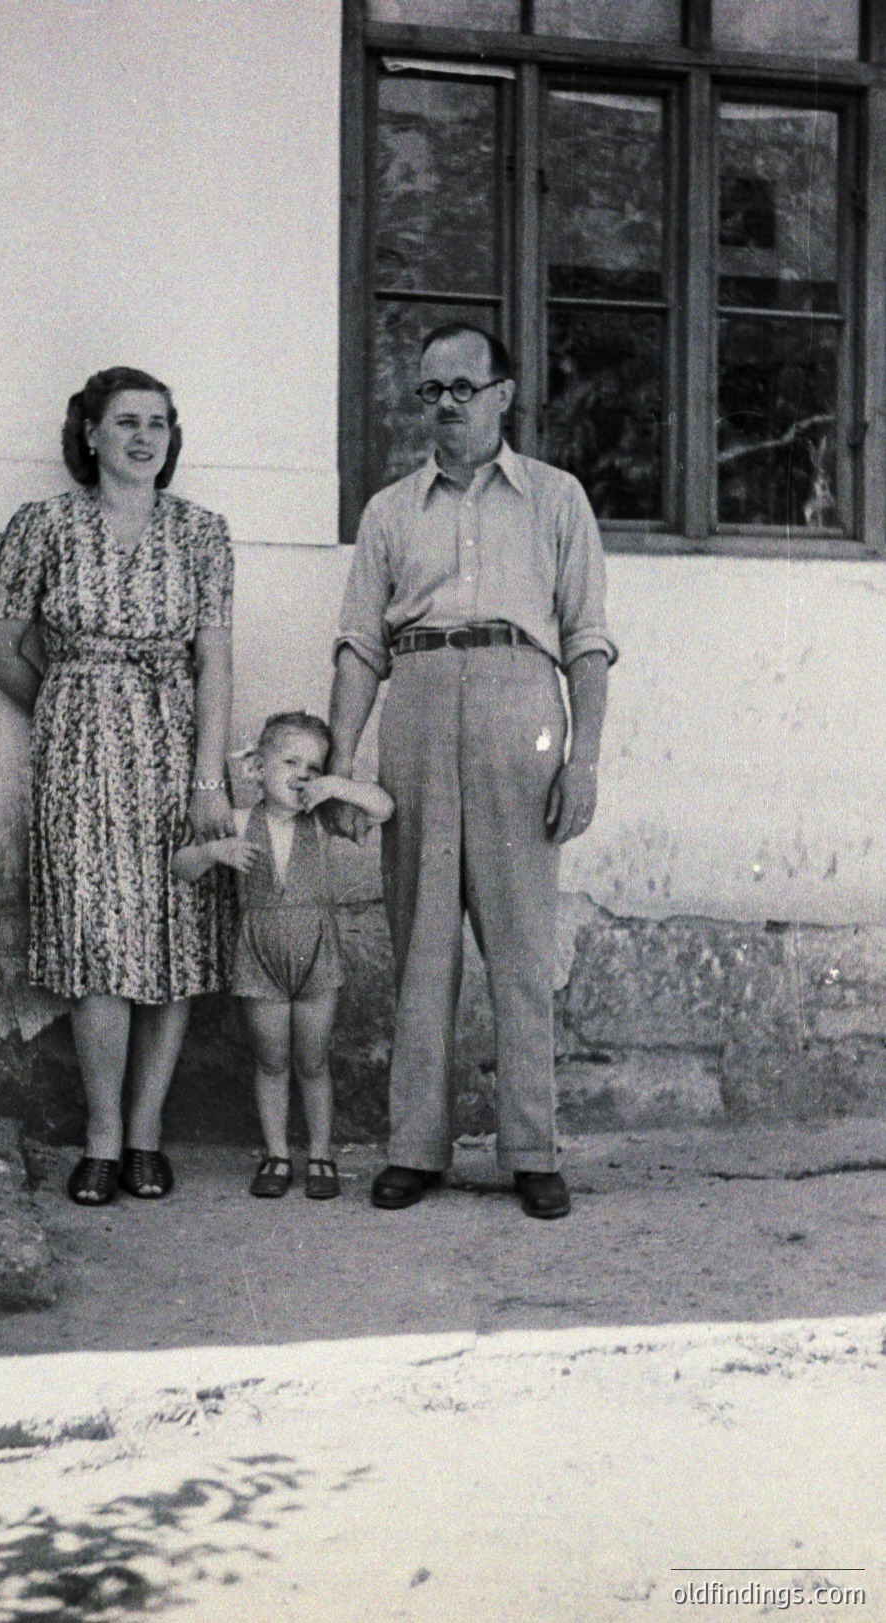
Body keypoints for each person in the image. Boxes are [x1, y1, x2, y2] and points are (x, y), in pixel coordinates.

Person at [329, 323, 617, 1219]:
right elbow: (357, 648)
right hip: (415, 700)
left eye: (463, 387)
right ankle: (416, 1147)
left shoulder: (556, 500)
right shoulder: (388, 512)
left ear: (502, 395)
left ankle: (531, 1148)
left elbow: (588, 641)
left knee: (520, 945)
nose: (446, 405)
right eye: (430, 391)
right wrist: (340, 766)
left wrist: (585, 758)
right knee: (419, 940)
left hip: (517, 708)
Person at [0, 366, 236, 1207]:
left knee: (173, 942)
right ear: (89, 432)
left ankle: (146, 1136)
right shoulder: (43, 525)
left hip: (174, 754)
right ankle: (98, 1137)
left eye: (158, 422)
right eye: (124, 421)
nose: (142, 437)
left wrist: (206, 776)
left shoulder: (201, 532)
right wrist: (68, 704)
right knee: (100, 947)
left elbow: (215, 663)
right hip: (79, 759)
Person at [173, 711, 394, 1200]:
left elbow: (383, 807)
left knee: (313, 1062)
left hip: (316, 953)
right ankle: (276, 1155)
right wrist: (215, 853)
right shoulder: (236, 821)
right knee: (271, 1061)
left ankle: (321, 1154)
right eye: (290, 761)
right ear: (256, 768)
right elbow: (181, 866)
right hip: (259, 956)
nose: (302, 774)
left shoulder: (322, 821)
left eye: (313, 767)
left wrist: (339, 785)